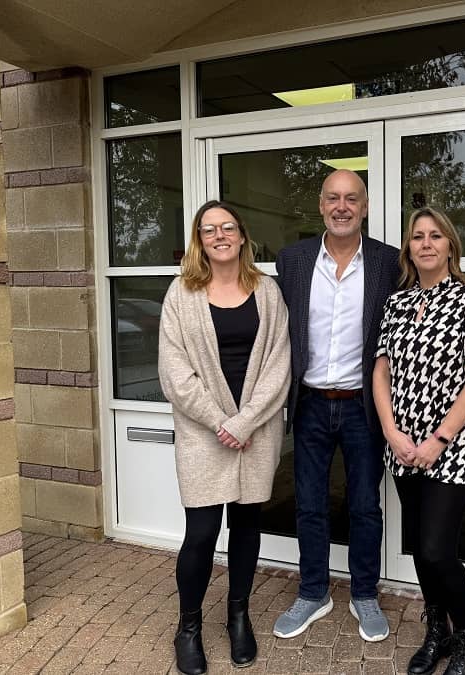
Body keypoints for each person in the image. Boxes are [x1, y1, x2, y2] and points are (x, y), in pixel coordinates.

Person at [158, 200, 290, 675]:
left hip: (255, 432)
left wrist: (245, 421)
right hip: (202, 432)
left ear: (241, 235)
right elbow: (174, 373)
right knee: (201, 533)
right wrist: (221, 421)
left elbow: (279, 365)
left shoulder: (267, 291)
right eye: (209, 229)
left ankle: (238, 615)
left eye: (227, 227)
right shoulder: (181, 293)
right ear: (200, 238)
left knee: (247, 527)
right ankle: (187, 627)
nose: (219, 235)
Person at [373, 206, 465, 675]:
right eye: (418, 237)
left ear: (450, 244)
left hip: (450, 450)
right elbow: (381, 372)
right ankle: (437, 633)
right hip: (403, 449)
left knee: (436, 550)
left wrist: (439, 439)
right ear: (410, 247)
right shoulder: (397, 303)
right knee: (420, 549)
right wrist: (391, 431)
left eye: (435, 236)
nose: (426, 243)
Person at [273, 169, 400, 642]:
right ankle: (313, 591)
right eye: (333, 198)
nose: (342, 206)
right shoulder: (294, 260)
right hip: (309, 403)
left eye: (351, 198)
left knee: (365, 505)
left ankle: (364, 594)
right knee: (309, 504)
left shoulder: (389, 262)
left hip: (362, 407)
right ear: (321, 206)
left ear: (364, 207)